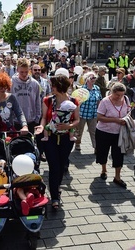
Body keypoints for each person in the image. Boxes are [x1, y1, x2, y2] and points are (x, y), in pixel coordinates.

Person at [35, 75, 80, 209]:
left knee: (61, 166)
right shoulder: (48, 100)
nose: (51, 88)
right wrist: (42, 126)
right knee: (54, 166)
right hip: (50, 137)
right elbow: (44, 117)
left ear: (59, 87)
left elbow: (77, 119)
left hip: (66, 138)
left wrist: (69, 127)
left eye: (53, 85)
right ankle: (55, 197)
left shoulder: (73, 101)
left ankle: (56, 186)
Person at [95, 83, 130, 188]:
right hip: (104, 132)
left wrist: (126, 119)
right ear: (112, 92)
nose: (119, 97)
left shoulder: (126, 99)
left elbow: (128, 111)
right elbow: (99, 117)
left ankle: (117, 177)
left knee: (119, 154)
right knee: (102, 152)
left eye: (121, 95)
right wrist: (115, 120)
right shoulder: (105, 101)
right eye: (117, 95)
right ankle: (103, 169)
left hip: (120, 133)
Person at [0, 71, 29, 136]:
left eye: (5, 86)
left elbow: (19, 113)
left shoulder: (11, 98)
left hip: (9, 133)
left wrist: (24, 126)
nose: (3, 89)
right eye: (0, 87)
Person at [11, 58, 41, 133]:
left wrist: (37, 118)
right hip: (16, 120)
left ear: (29, 70)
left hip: (30, 120)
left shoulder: (35, 84)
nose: (24, 74)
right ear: (17, 70)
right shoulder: (11, 83)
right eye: (22, 72)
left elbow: (38, 102)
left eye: (26, 72)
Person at [75, 72, 102, 151]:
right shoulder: (82, 89)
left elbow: (99, 100)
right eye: (91, 78)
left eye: (94, 78)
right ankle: (77, 143)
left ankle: (96, 147)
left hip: (93, 114)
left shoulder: (97, 88)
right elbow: (77, 102)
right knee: (79, 130)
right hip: (82, 113)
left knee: (93, 131)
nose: (93, 79)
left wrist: (100, 111)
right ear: (86, 79)